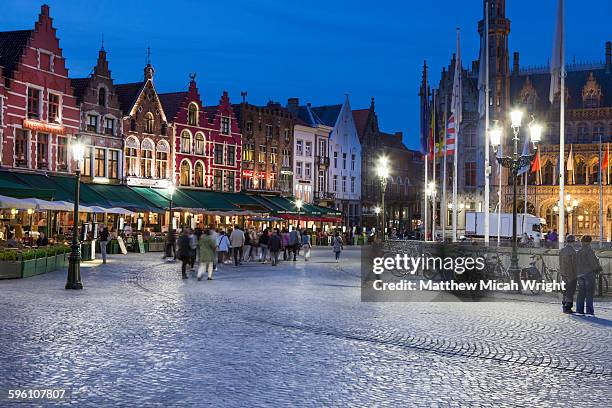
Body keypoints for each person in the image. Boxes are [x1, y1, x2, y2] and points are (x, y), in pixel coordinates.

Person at [575, 235, 601, 316]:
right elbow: (593, 263)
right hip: (588, 274)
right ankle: (589, 312)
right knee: (589, 293)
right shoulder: (589, 251)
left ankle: (579, 311)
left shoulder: (578, 251)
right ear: (589, 242)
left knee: (581, 293)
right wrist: (598, 270)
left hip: (579, 274)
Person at [559, 235, 577, 313]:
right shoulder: (573, 251)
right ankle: (568, 307)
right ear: (573, 241)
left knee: (565, 290)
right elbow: (575, 264)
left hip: (563, 273)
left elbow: (560, 262)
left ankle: (564, 305)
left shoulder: (562, 250)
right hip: (571, 274)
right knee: (570, 291)